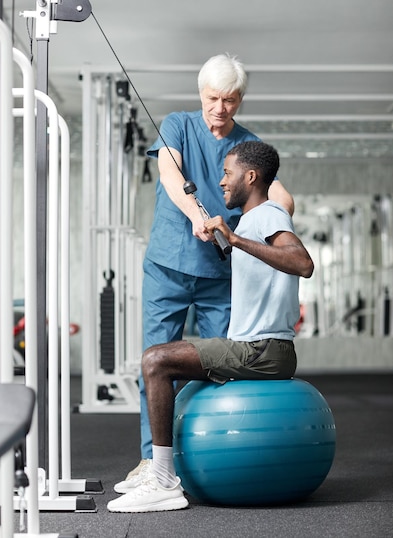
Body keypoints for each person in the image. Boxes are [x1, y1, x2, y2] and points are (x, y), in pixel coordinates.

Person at [115, 54, 295, 493]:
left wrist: (262, 221)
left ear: (240, 100)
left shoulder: (247, 144)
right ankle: (151, 462)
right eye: (213, 98)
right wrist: (197, 212)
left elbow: (284, 199)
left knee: (219, 369)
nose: (220, 108)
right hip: (168, 267)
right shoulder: (177, 124)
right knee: (155, 363)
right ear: (201, 95)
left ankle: (203, 454)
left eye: (230, 100)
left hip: (219, 274)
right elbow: (170, 174)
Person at [108, 140, 314, 513]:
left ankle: (164, 480)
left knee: (156, 360)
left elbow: (303, 263)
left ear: (250, 177)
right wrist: (229, 240)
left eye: (227, 172)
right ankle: (164, 471)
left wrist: (235, 239)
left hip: (262, 349)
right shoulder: (252, 220)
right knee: (181, 369)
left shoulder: (268, 215)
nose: (221, 182)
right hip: (260, 347)